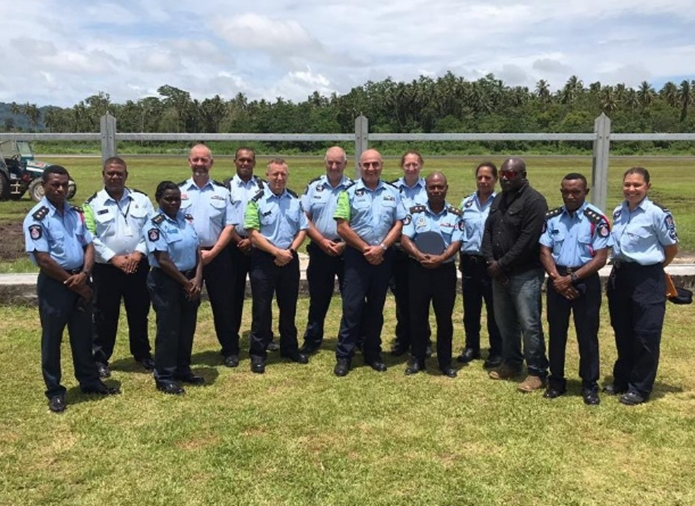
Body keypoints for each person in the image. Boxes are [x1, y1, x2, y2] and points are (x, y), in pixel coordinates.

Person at [24, 165, 119, 413]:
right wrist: (73, 282)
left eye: (65, 184)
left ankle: (89, 381)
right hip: (56, 285)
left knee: (83, 334)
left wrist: (85, 275)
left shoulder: (75, 213)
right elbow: (43, 259)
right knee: (52, 339)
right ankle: (55, 391)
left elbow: (89, 245)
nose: (60, 189)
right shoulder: (37, 217)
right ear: (43, 185)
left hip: (81, 277)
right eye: (55, 184)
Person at [605, 167, 679, 405]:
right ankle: (622, 380)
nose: (631, 189)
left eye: (637, 185)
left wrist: (652, 268)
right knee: (623, 330)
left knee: (646, 333)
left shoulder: (657, 213)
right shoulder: (619, 211)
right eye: (627, 184)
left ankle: (640, 387)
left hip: (647, 278)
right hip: (620, 276)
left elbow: (671, 248)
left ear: (648, 186)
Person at [333, 148, 406, 376]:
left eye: (375, 164)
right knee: (352, 308)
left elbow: (398, 223)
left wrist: (382, 248)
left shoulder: (393, 192)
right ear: (360, 167)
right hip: (357, 257)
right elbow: (342, 226)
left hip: (383, 257)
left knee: (376, 307)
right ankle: (344, 356)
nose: (371, 168)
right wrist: (366, 248)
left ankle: (373, 353)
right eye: (366, 165)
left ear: (381, 165)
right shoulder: (349, 192)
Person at [539, 173, 611, 405]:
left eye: (576, 192)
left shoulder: (596, 218)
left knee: (587, 334)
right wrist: (556, 278)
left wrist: (570, 280)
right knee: (557, 332)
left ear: (585, 192)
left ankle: (589, 384)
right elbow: (544, 250)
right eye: (566, 191)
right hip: (556, 276)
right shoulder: (551, 218)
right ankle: (556, 380)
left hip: (584, 279)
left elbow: (600, 258)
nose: (570, 196)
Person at [84, 157, 155, 378]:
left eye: (119, 173)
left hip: (137, 265)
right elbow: (89, 236)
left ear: (127, 175)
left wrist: (138, 253)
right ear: (103, 174)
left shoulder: (141, 200)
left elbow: (152, 229)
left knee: (139, 311)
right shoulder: (91, 204)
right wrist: (112, 257)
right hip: (107, 269)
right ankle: (101, 358)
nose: (115, 177)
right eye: (110, 173)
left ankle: (142, 353)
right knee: (105, 314)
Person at [482, 157, 549, 392]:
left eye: (510, 175)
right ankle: (511, 363)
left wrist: (501, 264)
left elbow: (528, 241)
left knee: (529, 324)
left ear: (523, 175)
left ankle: (537, 372)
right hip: (498, 272)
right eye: (502, 174)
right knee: (505, 322)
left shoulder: (535, 201)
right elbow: (488, 231)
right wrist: (490, 261)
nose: (505, 178)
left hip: (525, 274)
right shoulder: (499, 198)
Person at [244, 158, 309, 373]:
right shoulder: (257, 200)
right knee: (262, 309)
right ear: (268, 175)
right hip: (264, 260)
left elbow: (303, 229)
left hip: (289, 259)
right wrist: (276, 252)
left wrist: (289, 252)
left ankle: (289, 347)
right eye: (275, 174)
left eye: (283, 174)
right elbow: (252, 232)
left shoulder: (294, 200)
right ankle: (258, 353)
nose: (279, 178)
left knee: (288, 307)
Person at [179, 144, 238, 367]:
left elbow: (230, 225)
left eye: (204, 160)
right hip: (187, 258)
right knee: (186, 306)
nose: (200, 164)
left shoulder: (223, 193)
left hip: (218, 254)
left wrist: (213, 252)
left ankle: (230, 349)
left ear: (211, 163)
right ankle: (182, 352)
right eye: (196, 160)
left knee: (224, 305)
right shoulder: (179, 192)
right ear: (189, 162)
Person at [400, 172, 462, 378]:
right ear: (426, 189)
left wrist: (441, 257)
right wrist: (419, 255)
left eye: (440, 187)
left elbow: (456, 242)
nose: (436, 190)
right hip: (418, 270)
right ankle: (417, 359)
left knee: (444, 318)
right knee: (417, 316)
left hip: (444, 272)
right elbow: (405, 238)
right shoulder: (415, 212)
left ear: (446, 188)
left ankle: (445, 362)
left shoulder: (455, 214)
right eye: (432, 187)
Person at [145, 181, 204, 395]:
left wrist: (197, 279)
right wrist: (186, 283)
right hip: (166, 280)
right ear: (158, 199)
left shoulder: (185, 219)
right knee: (169, 329)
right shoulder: (154, 223)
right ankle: (164, 375)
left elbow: (197, 250)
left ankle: (182, 369)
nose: (173, 202)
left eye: (177, 198)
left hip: (190, 279)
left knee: (186, 327)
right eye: (168, 199)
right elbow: (162, 259)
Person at [299, 146, 351, 354]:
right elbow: (304, 217)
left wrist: (345, 243)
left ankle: (353, 339)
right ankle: (312, 339)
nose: (334, 166)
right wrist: (321, 241)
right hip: (321, 249)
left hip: (347, 250)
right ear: (325, 162)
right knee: (318, 298)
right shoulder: (314, 187)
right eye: (330, 162)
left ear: (345, 164)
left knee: (352, 300)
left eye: (338, 162)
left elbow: (359, 222)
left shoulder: (354, 187)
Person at [226, 147, 279, 354]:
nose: (245, 163)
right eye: (241, 160)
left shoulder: (264, 186)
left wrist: (251, 240)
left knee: (263, 296)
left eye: (249, 160)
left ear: (254, 163)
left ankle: (266, 336)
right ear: (235, 161)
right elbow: (224, 219)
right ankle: (231, 341)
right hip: (233, 246)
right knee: (233, 296)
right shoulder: (226, 187)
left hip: (259, 247)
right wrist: (240, 239)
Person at [457, 162, 503, 369]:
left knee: (494, 310)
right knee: (471, 308)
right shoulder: (466, 203)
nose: (483, 181)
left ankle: (496, 350)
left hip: (491, 263)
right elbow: (459, 233)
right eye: (480, 177)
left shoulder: (502, 203)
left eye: (488, 177)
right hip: (469, 262)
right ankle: (471, 346)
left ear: (495, 179)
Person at [389, 150, 429, 356]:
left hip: (421, 248)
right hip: (398, 249)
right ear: (402, 166)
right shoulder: (393, 188)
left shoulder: (428, 188)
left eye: (415, 164)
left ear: (421, 165)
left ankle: (423, 339)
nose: (411, 168)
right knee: (402, 297)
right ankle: (403, 338)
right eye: (408, 164)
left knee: (421, 297)